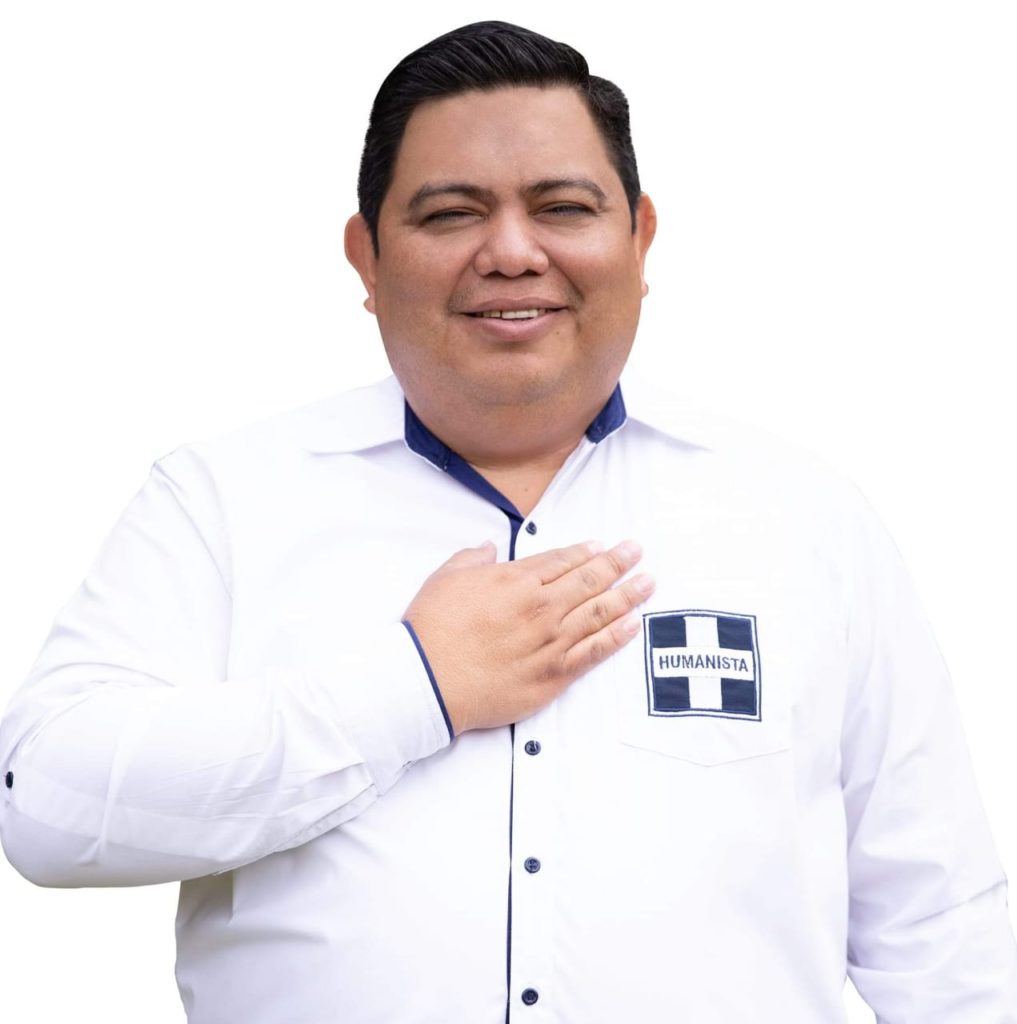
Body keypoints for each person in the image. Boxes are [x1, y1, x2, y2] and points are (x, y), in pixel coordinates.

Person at [1, 19, 1015, 1023]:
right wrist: (413, 689)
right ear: (366, 257)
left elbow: (941, 926)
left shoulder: (803, 517)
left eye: (563, 207)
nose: (513, 252)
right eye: (451, 214)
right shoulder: (224, 501)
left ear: (640, 239)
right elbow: (42, 803)